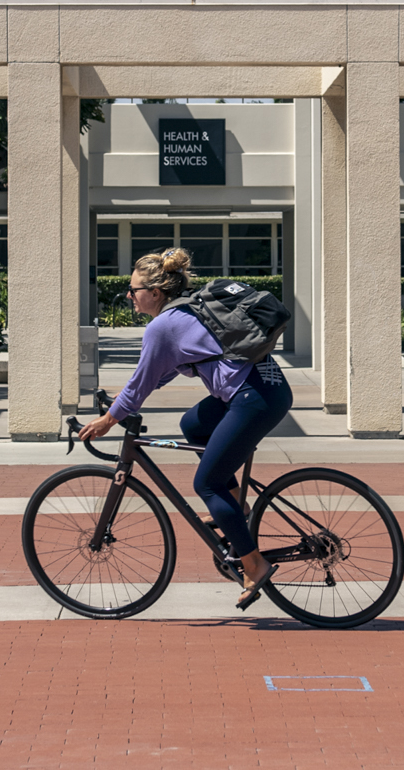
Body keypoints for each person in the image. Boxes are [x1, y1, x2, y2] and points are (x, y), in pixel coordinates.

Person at [76, 247, 293, 608]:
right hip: (263, 387)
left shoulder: (162, 326)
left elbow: (142, 382)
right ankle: (236, 503)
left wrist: (108, 420)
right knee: (193, 424)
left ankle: (254, 565)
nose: (130, 296)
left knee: (206, 484)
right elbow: (158, 374)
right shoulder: (187, 308)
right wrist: (121, 401)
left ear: (156, 293)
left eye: (134, 290)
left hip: (253, 398)